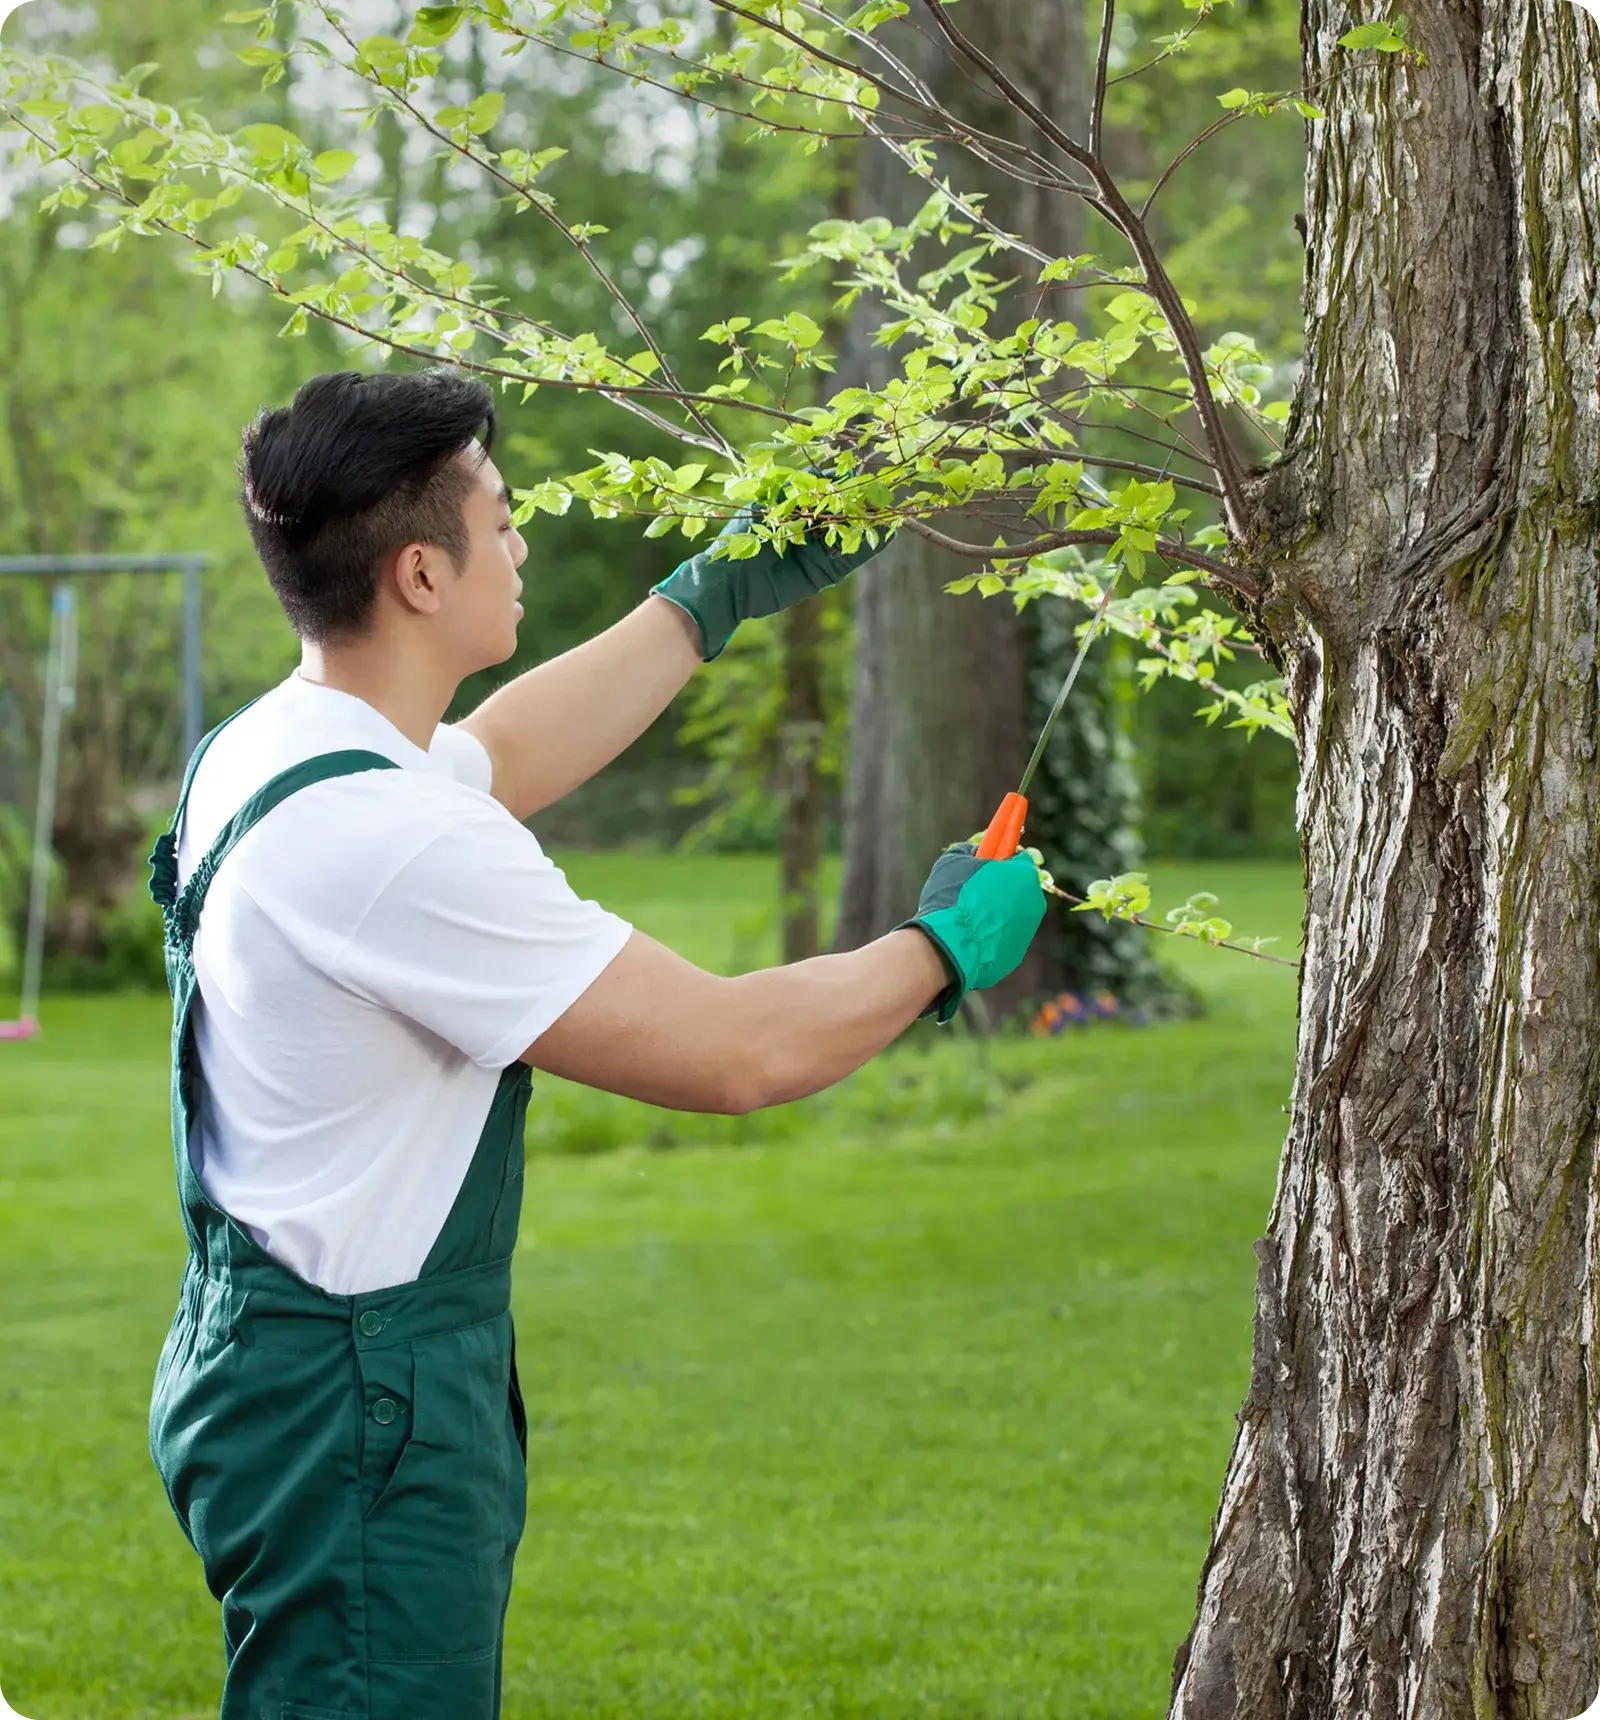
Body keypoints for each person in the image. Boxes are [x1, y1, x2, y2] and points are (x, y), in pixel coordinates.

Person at [146, 366, 1045, 1720]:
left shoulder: (288, 745)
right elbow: (737, 1051)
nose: (522, 544)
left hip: (274, 1363)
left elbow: (498, 753)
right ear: (419, 577)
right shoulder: (388, 845)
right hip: (356, 1411)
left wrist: (719, 589)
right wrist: (940, 950)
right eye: (499, 520)